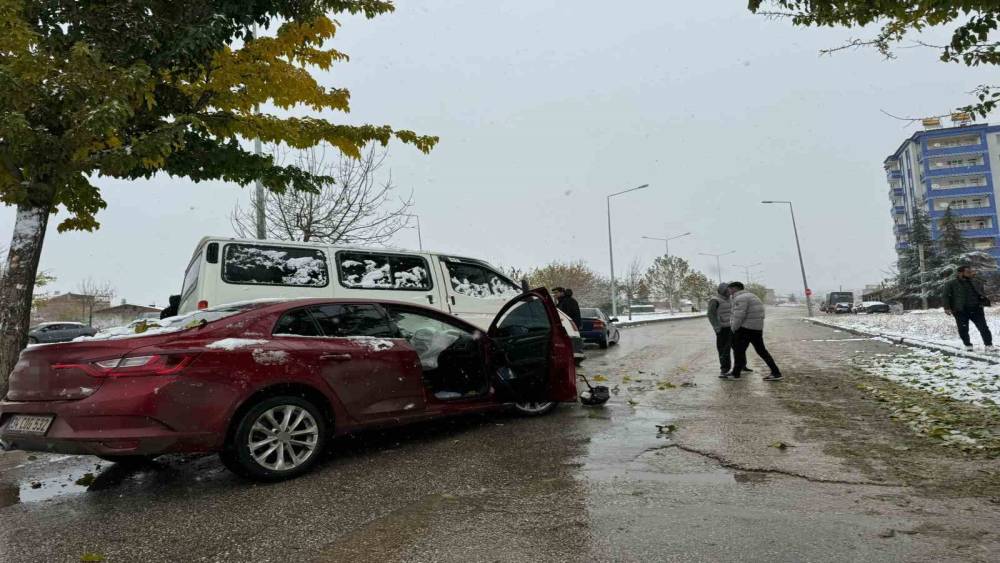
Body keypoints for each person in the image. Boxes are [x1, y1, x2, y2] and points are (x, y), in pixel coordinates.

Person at [727, 282, 782, 381]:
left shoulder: (740, 298)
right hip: (757, 329)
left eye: (729, 289)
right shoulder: (753, 296)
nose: (729, 291)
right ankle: (776, 372)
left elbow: (738, 316)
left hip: (745, 329)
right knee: (762, 351)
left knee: (738, 351)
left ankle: (735, 374)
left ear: (735, 288)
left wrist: (733, 328)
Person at [941, 264, 993, 352]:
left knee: (983, 327)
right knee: (963, 329)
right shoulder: (951, 283)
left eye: (971, 271)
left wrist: (983, 299)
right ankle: (967, 344)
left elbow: (982, 290)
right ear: (960, 273)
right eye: (968, 272)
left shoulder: (975, 281)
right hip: (960, 310)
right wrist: (947, 307)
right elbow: (945, 296)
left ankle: (989, 345)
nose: (970, 273)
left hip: (976, 309)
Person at [707, 283, 734, 376]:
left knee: (738, 347)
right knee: (723, 350)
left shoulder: (730, 299)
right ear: (723, 291)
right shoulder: (714, 300)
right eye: (728, 290)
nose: (730, 292)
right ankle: (724, 370)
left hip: (732, 327)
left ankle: (741, 366)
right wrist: (717, 327)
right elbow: (711, 315)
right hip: (722, 329)